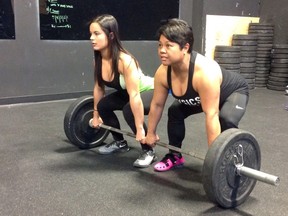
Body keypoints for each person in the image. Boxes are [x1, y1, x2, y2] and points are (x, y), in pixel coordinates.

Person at [144, 18, 249, 172]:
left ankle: (232, 160)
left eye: (168, 46)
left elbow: (211, 114)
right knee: (175, 112)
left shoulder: (204, 73)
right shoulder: (162, 72)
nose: (162, 50)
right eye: (160, 45)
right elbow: (157, 104)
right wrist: (150, 133)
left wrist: (215, 158)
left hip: (232, 92)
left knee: (226, 119)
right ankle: (175, 155)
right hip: (202, 96)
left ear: (185, 47)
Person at [89, 14, 156, 168]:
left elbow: (134, 95)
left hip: (149, 90)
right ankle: (120, 142)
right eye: (91, 34)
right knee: (103, 105)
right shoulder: (98, 61)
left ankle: (149, 151)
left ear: (111, 35)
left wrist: (140, 128)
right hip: (130, 93)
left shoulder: (125, 61)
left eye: (97, 34)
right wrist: (96, 115)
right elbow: (99, 88)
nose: (92, 38)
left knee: (129, 111)